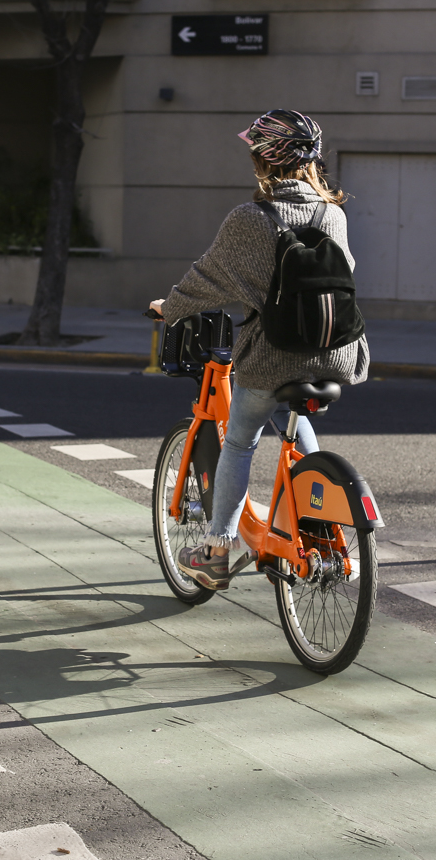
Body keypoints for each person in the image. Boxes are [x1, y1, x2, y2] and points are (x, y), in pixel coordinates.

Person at [149, 109, 369, 591]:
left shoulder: (250, 218)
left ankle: (215, 552)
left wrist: (170, 308)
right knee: (295, 418)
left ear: (263, 160)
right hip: (334, 353)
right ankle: (317, 516)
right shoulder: (332, 214)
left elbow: (207, 277)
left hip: (272, 357)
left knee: (240, 440)